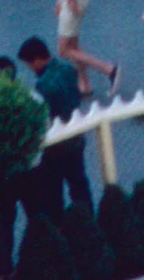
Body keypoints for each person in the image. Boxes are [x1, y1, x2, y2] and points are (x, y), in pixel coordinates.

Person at [18, 36, 91, 216]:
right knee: (79, 183)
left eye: (29, 64)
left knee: (53, 192)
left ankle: (59, 228)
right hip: (76, 136)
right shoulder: (68, 69)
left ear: (36, 60)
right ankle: (87, 219)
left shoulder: (43, 85)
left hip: (56, 146)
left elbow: (44, 115)